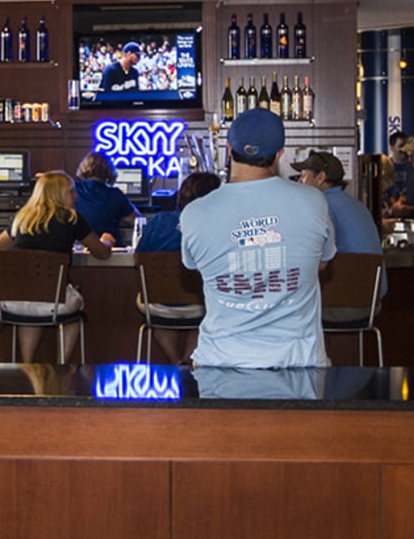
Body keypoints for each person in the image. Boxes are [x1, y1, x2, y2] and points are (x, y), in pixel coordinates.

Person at [180, 108, 338, 368]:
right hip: (299, 363)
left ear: (229, 148)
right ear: (279, 153)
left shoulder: (194, 213)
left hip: (220, 363)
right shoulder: (314, 201)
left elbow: (197, 267)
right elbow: (321, 262)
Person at [0, 171, 113, 362]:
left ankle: (28, 365)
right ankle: (61, 366)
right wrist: (107, 241)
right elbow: (101, 253)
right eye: (71, 191)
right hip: (54, 302)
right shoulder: (71, 218)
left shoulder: (23, 218)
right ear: (59, 194)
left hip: (15, 301)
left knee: (33, 302)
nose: (76, 196)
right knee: (73, 314)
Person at [135, 171, 221, 365]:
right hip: (201, 305)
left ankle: (176, 363)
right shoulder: (218, 227)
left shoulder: (159, 221)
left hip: (157, 305)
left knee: (161, 301)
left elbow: (139, 256)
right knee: (209, 310)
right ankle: (187, 363)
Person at [293, 149, 384, 325]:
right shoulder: (357, 205)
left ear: (320, 178)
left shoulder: (321, 206)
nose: (299, 182)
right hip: (372, 302)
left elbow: (311, 258)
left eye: (303, 176)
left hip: (339, 305)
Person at [71, 153, 137, 240]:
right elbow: (136, 221)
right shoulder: (116, 194)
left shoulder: (73, 189)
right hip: (109, 245)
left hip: (79, 245)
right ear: (109, 171)